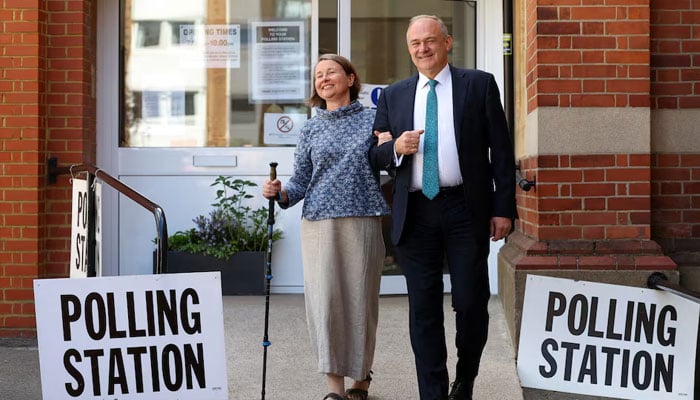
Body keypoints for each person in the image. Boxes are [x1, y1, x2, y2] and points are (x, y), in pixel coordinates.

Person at [368, 15, 517, 400]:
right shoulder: (394, 95)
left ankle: (465, 378)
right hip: (415, 212)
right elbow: (376, 154)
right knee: (424, 308)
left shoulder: (479, 84)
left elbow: (500, 152)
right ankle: (432, 393)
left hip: (465, 209)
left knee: (470, 302)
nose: (423, 49)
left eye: (430, 40)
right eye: (415, 43)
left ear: (447, 42)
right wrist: (395, 150)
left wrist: (503, 208)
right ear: (409, 49)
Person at [263, 53, 391, 400]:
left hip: (362, 218)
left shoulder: (373, 120)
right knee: (325, 302)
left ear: (351, 79)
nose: (323, 78)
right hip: (318, 223)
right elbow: (302, 179)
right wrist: (281, 192)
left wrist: (391, 144)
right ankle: (334, 386)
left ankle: (360, 378)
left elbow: (389, 160)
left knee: (360, 300)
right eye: (318, 75)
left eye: (331, 71)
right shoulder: (310, 127)